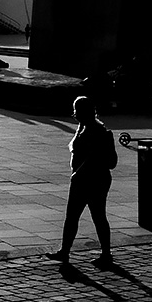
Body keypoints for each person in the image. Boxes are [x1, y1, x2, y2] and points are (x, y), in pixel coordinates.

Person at [46, 96, 118, 269]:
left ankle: (103, 254)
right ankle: (70, 251)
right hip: (90, 179)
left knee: (90, 216)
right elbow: (76, 148)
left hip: (90, 179)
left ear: (83, 111)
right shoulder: (87, 127)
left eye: (76, 110)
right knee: (83, 216)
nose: (74, 114)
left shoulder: (95, 131)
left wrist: (77, 173)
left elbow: (92, 156)